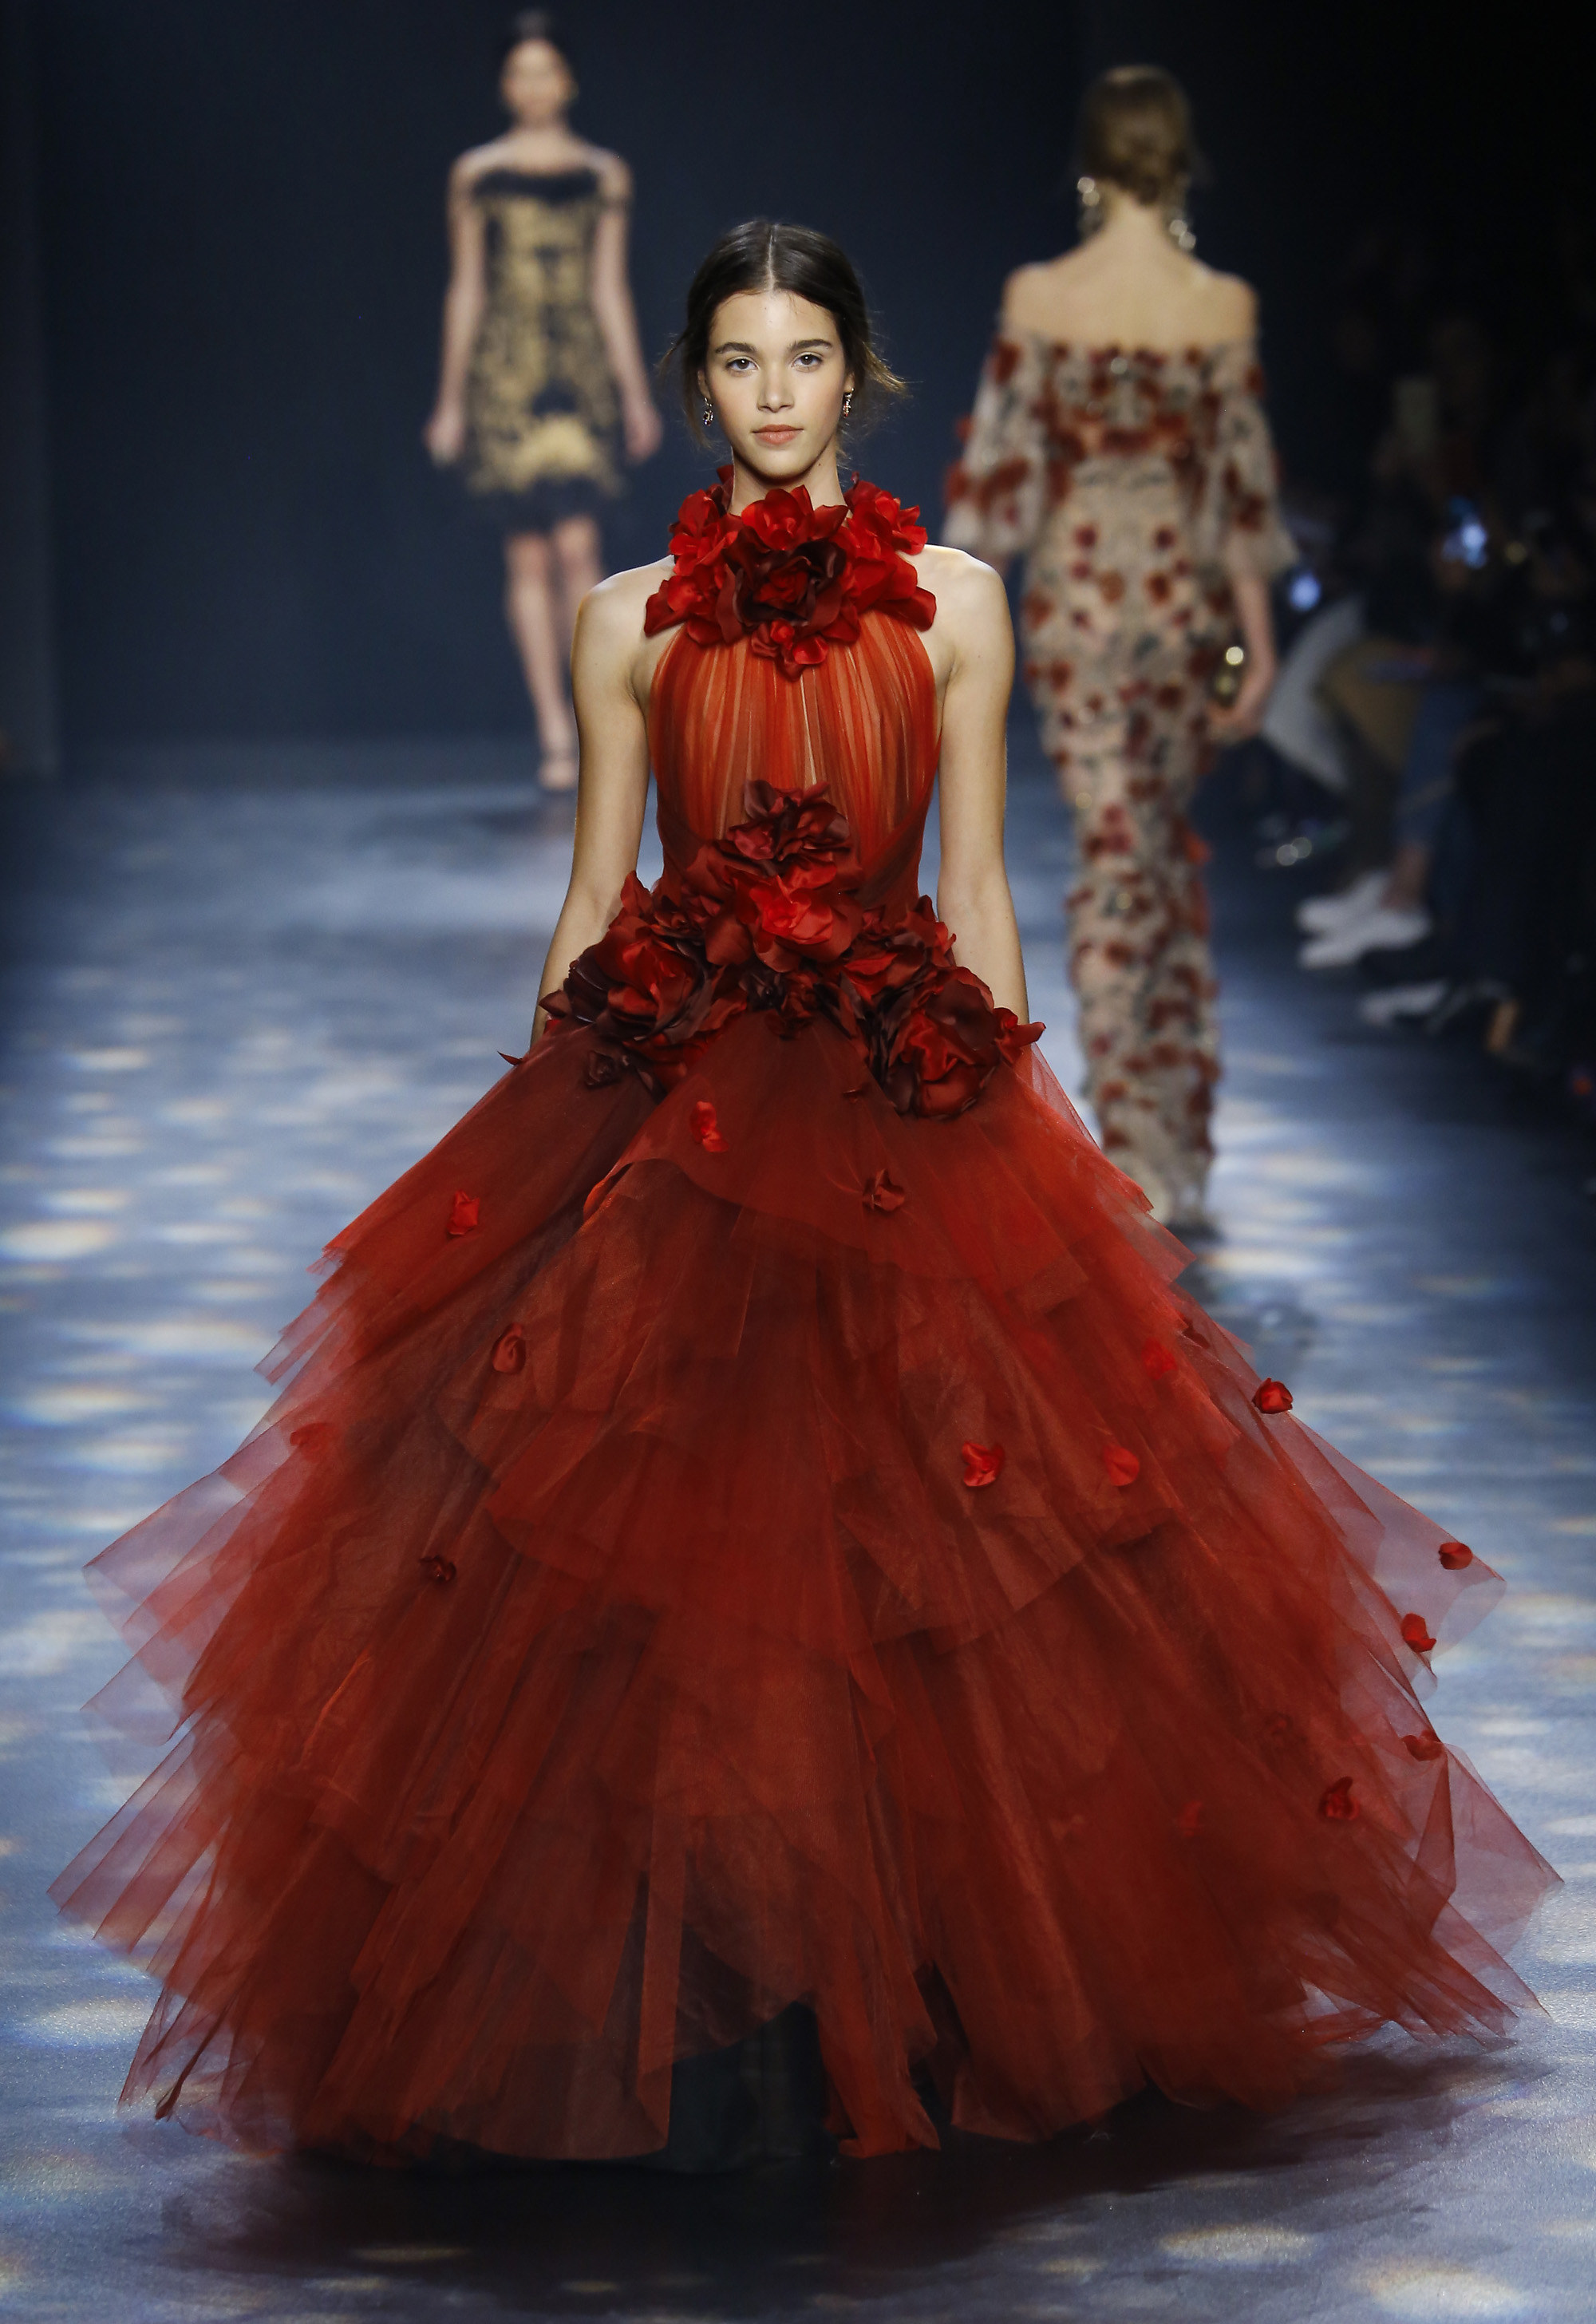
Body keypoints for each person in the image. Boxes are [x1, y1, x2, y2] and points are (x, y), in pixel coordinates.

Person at [55, 223, 1551, 2172]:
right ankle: (706, 1986)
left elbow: (980, 884)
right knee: (669, 1541)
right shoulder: (626, 618)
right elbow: (596, 892)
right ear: (699, 385)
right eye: (741, 362)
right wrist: (545, 1127)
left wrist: (1031, 1136)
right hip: (676, 1090)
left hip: (896, 1078)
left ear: (860, 373)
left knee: (926, 1530)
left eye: (807, 357)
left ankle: (916, 1976)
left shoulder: (958, 603)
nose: (775, 393)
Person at [945, 65, 1297, 1229]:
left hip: (1083, 616)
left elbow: (1000, 482)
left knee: (1120, 857)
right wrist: (1260, 647)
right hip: (1182, 617)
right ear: (1181, 159)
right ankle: (1161, 1134)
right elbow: (1238, 495)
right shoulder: (1222, 306)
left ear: (1089, 165)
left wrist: (945, 615)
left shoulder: (1043, 296)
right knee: (1154, 857)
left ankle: (1139, 1145)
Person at [424, 10, 662, 794]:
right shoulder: (476, 174)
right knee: (527, 555)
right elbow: (465, 288)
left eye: (545, 71)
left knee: (579, 551)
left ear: (568, 80)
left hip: (578, 372)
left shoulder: (603, 175)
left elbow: (610, 288)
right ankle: (554, 731)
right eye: (518, 73)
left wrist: (635, 394)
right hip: (507, 374)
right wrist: (450, 401)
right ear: (504, 85)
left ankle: (593, 718)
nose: (533, 86)